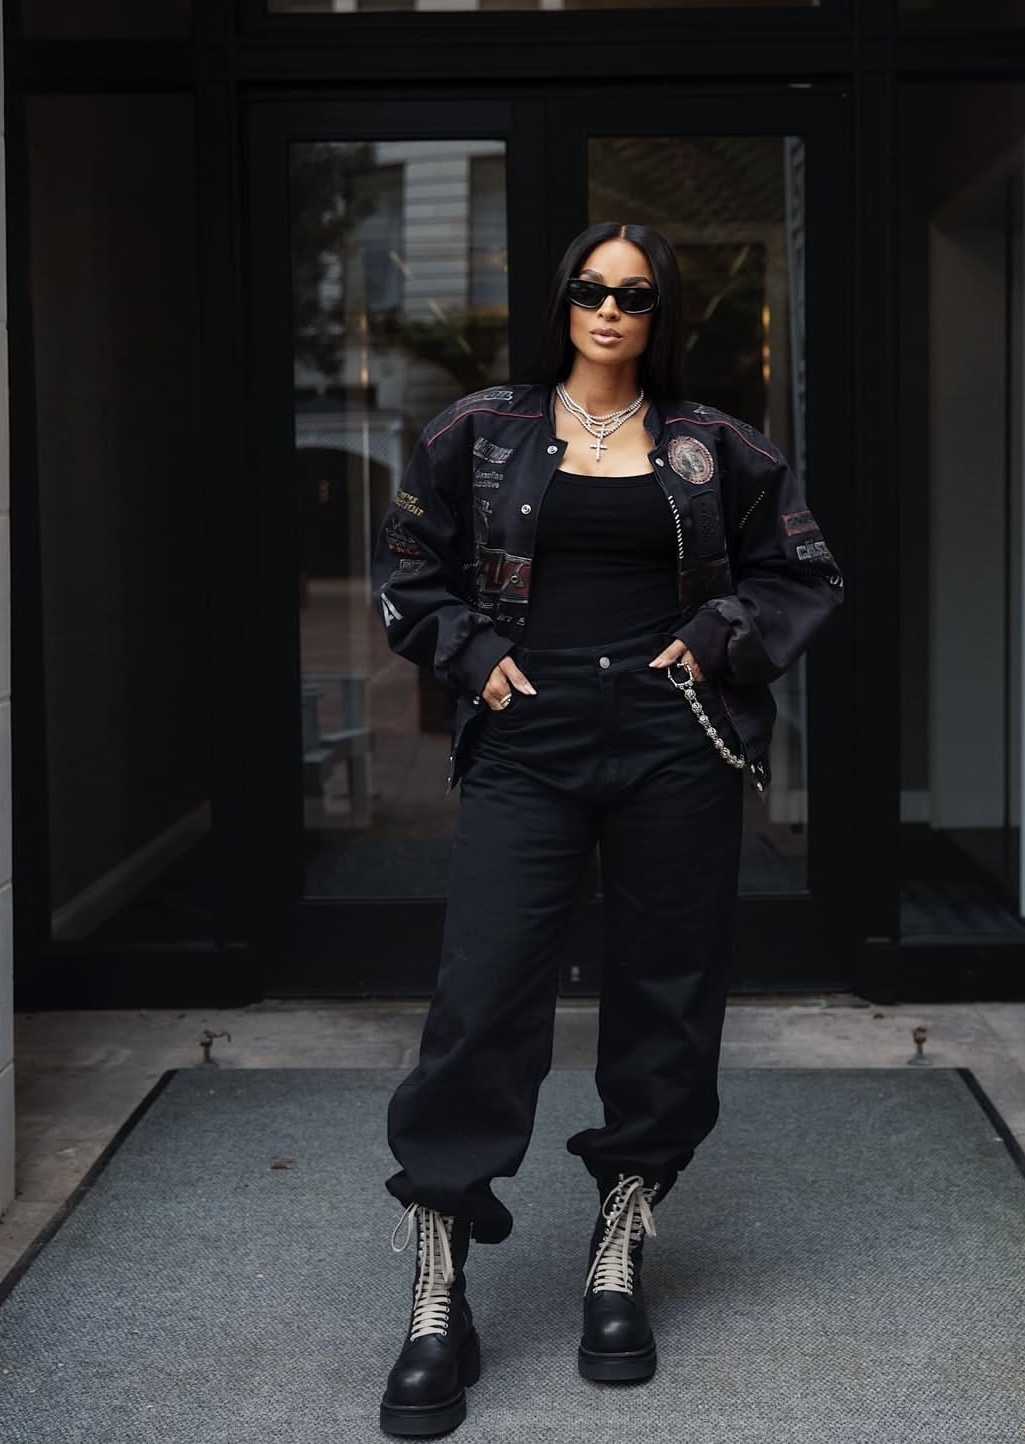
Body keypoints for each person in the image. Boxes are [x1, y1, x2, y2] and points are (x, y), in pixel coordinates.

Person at [371, 222, 842, 1437]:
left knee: (667, 989)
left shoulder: (714, 445)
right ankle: (439, 1287)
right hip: (529, 740)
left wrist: (722, 635)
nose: (609, 309)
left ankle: (618, 1248)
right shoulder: (477, 433)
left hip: (672, 739)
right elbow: (408, 572)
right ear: (561, 301)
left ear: (660, 312)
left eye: (634, 295)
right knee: (484, 990)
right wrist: (474, 657)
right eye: (589, 288)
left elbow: (804, 572)